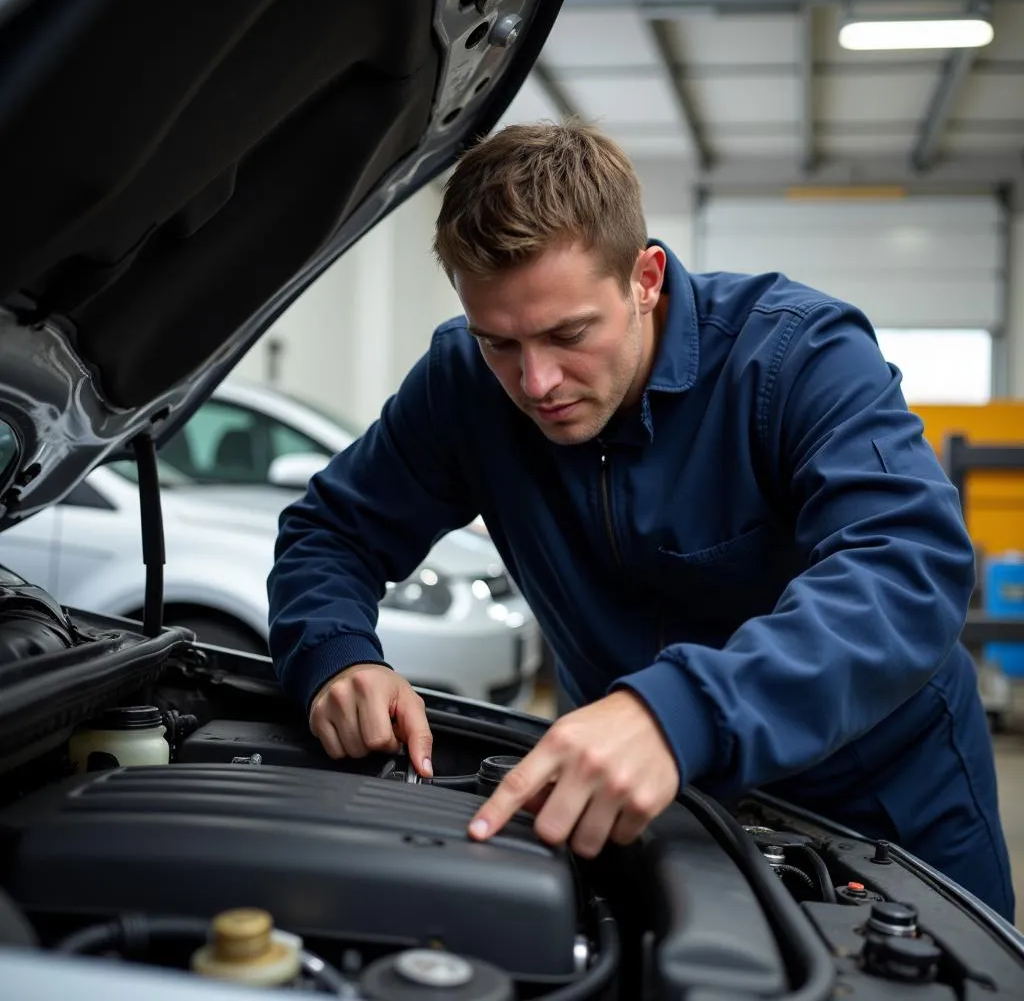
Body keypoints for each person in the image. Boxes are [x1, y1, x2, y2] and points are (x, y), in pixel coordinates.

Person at [267, 120, 1015, 922]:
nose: (537, 381)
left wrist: (677, 712)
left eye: (568, 334)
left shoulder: (796, 356)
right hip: (631, 803)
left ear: (646, 278)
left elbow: (904, 565)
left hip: (879, 809)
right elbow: (330, 533)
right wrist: (337, 654)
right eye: (500, 343)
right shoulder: (463, 386)